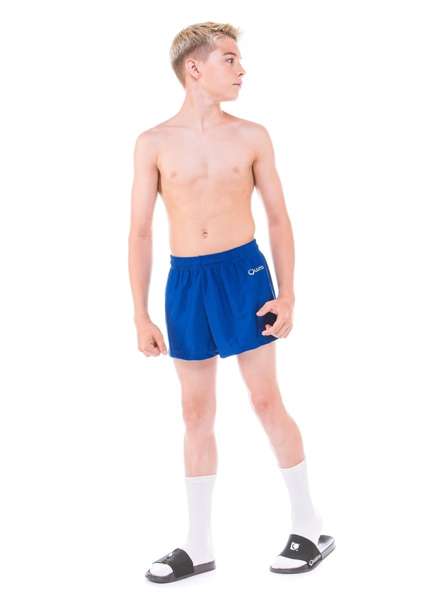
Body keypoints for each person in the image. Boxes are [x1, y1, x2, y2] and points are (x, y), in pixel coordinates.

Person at [128, 21, 335, 584]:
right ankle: (198, 546)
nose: (242, 70)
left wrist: (288, 294)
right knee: (195, 413)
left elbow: (278, 218)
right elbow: (141, 232)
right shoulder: (153, 142)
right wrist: (141, 313)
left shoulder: (251, 136)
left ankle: (310, 525)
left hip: (243, 275)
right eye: (230, 60)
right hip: (186, 282)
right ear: (194, 68)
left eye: (239, 60)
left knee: (265, 399)